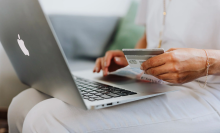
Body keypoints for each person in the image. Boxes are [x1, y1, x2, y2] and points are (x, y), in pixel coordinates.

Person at [8, 0, 220, 133]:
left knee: (46, 119)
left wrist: (204, 60)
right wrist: (134, 60)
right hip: (156, 82)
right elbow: (149, 38)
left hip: (208, 91)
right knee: (22, 104)